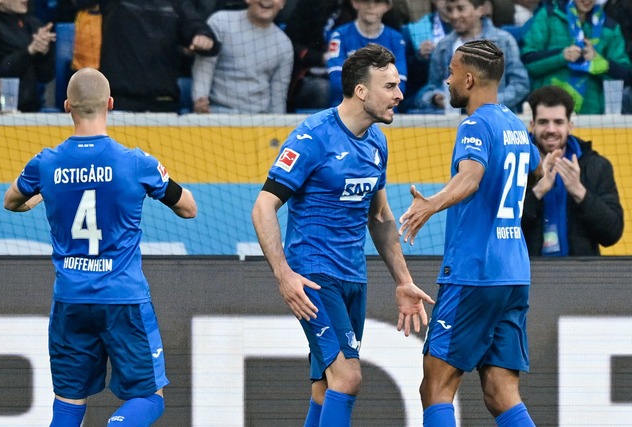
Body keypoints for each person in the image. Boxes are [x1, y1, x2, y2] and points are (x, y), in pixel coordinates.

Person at [251, 44, 434, 426]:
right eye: (390, 86)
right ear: (361, 91)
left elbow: (380, 217)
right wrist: (284, 275)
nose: (400, 95)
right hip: (314, 277)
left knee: (326, 386)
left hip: (353, 277)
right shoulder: (312, 137)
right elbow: (263, 206)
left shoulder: (377, 142)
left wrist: (403, 282)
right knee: (348, 377)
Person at [3, 68, 197, 426]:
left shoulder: (45, 163)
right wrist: (154, 188)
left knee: (68, 403)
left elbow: (11, 201)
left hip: (71, 299)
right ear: (110, 104)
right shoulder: (136, 162)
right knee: (149, 398)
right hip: (123, 298)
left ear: (66, 107)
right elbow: (189, 208)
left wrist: (39, 198)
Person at [399, 39, 541, 426]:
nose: (446, 81)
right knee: (500, 391)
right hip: (514, 272)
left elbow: (472, 176)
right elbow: (536, 169)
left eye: (450, 73)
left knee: (436, 387)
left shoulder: (475, 124)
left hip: (474, 272)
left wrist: (431, 203)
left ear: (468, 78)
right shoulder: (514, 124)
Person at [522, 85, 624, 256]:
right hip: (529, 274)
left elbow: (612, 234)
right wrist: (538, 191)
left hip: (580, 276)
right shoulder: (516, 164)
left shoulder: (596, 166)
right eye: (543, 122)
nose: (551, 129)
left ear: (570, 125)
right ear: (532, 124)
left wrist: (579, 191)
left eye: (558, 122)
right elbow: (500, 230)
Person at [96, 0, 220, 113]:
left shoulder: (177, 3)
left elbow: (197, 27)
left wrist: (203, 36)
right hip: (119, 104)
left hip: (162, 104)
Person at [407, 0, 529, 114]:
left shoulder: (504, 41)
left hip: (495, 118)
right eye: (450, 10)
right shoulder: (443, 46)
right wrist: (434, 98)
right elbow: (430, 87)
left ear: (481, 9)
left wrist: (489, 102)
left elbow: (520, 84)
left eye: (460, 9)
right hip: (453, 125)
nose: (454, 15)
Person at [521, 0, 632, 114]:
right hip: (548, 106)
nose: (587, 1)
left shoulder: (610, 27)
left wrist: (601, 63)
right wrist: (561, 56)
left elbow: (626, 75)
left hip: (591, 114)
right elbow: (529, 60)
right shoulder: (550, 15)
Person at [191, 0, 293, 114]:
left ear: (283, 3)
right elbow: (205, 67)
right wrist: (199, 99)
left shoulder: (284, 44)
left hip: (259, 122)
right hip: (216, 115)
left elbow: (278, 96)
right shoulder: (221, 21)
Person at [326, 0, 408, 107]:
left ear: (387, 6)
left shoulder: (396, 39)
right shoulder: (339, 35)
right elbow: (337, 80)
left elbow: (400, 84)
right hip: (345, 110)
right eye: (366, 1)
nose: (371, 6)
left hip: (385, 111)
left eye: (377, 2)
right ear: (355, 3)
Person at [0, 0, 56, 112]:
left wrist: (44, 52)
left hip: (32, 109)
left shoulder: (34, 24)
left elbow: (46, 76)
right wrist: (30, 50)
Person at [400, 0, 452, 109]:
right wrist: (419, 58)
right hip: (426, 105)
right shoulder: (413, 31)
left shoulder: (484, 34)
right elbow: (404, 79)